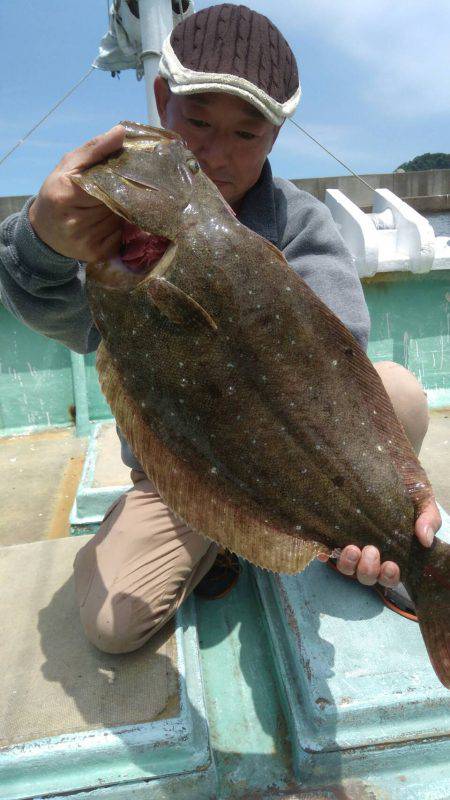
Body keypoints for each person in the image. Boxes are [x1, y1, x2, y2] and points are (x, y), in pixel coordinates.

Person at [0, 4, 441, 653]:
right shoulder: (114, 231)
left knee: (398, 392)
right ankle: (217, 539)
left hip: (300, 463)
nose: (215, 153)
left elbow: (338, 363)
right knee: (111, 627)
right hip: (181, 474)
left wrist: (402, 502)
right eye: (198, 122)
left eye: (246, 133)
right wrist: (42, 241)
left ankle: (362, 545)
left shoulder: (300, 224)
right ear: (162, 101)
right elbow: (57, 312)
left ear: (275, 135)